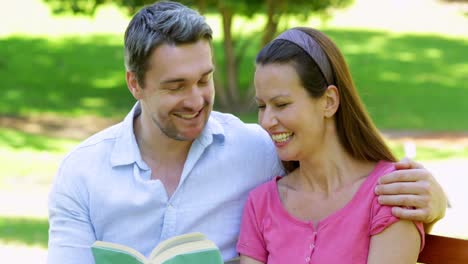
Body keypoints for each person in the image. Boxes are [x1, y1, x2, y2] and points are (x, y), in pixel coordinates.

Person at [47, 1, 446, 263]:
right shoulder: (82, 173)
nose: (196, 99)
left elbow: (342, 168)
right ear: (135, 84)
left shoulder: (259, 149)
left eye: (204, 79)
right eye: (175, 86)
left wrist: (436, 200)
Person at [236, 27, 426, 264]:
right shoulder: (262, 204)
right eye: (262, 106)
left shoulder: (390, 193)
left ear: (329, 102)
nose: (266, 121)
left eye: (281, 104)